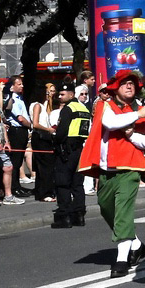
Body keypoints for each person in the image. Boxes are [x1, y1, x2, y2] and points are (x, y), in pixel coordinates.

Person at [78, 70, 145, 277]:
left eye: (132, 83)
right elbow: (110, 123)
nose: (129, 86)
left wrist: (131, 136)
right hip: (107, 170)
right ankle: (136, 246)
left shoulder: (144, 110)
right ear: (116, 88)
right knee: (106, 209)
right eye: (124, 83)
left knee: (123, 212)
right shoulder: (106, 106)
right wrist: (136, 116)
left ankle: (122, 260)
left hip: (130, 169)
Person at [52, 81, 92, 228]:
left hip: (66, 150)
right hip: (79, 149)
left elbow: (61, 132)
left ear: (71, 94)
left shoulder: (68, 109)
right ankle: (79, 215)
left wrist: (55, 141)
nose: (60, 97)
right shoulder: (84, 109)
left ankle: (65, 216)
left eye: (62, 94)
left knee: (63, 183)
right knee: (77, 184)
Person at [3, 76, 34, 198]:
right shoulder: (13, 100)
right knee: (15, 160)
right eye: (19, 84)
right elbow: (20, 118)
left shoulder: (20, 98)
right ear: (12, 86)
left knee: (19, 159)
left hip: (22, 131)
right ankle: (14, 187)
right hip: (17, 131)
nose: (22, 86)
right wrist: (31, 125)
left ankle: (17, 186)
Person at [30, 83, 58, 202]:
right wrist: (48, 129)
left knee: (41, 166)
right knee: (46, 166)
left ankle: (40, 191)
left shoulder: (41, 105)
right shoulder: (37, 105)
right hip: (41, 137)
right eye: (46, 93)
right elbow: (35, 123)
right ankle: (45, 192)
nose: (48, 95)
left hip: (40, 136)